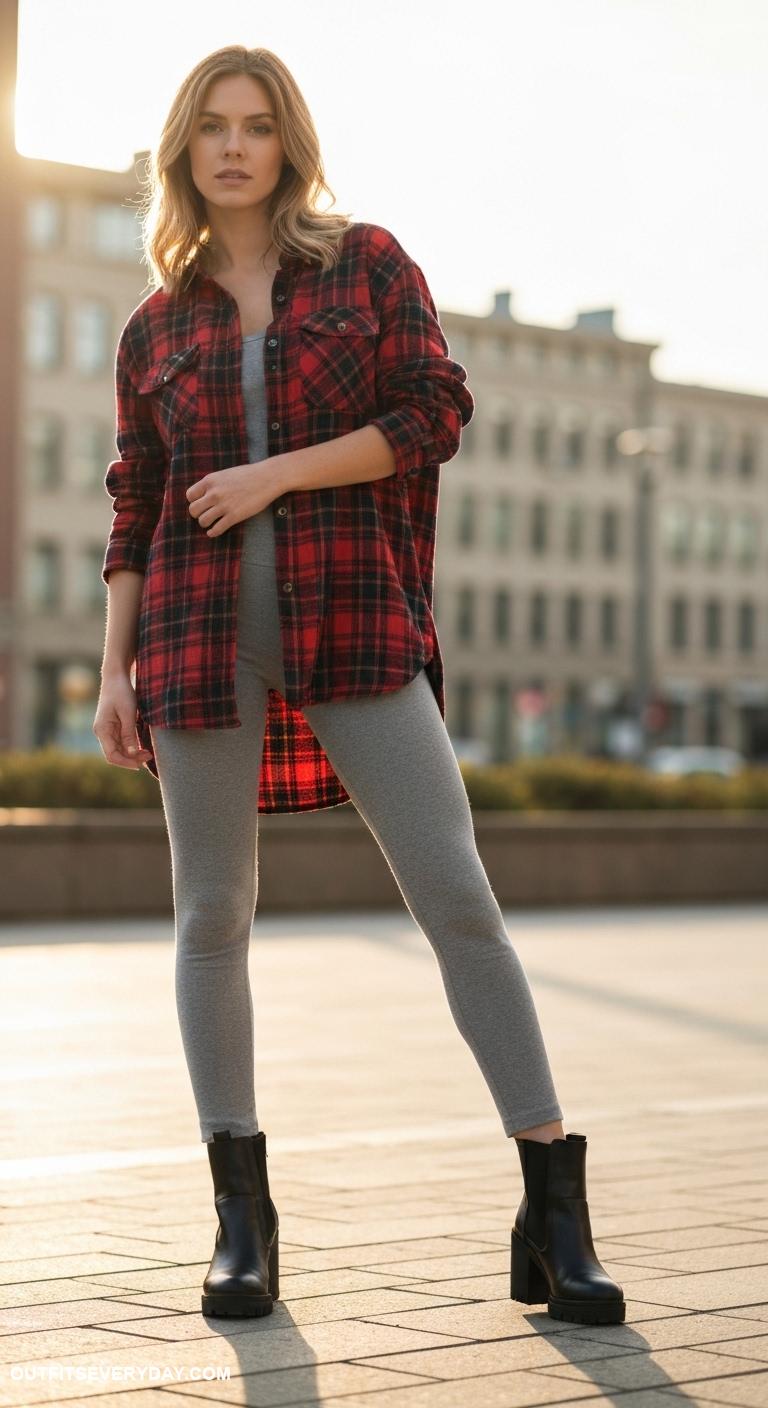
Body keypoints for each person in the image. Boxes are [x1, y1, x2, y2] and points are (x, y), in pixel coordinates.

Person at [93, 44, 624, 1328]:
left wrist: (275, 475)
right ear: (184, 149)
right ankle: (240, 1218)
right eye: (212, 127)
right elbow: (137, 502)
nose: (233, 147)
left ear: (289, 143)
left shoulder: (369, 263)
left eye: (257, 125)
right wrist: (110, 671)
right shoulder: (155, 325)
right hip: (194, 642)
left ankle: (554, 1206)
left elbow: (434, 407)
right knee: (212, 915)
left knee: (457, 893)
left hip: (358, 623)